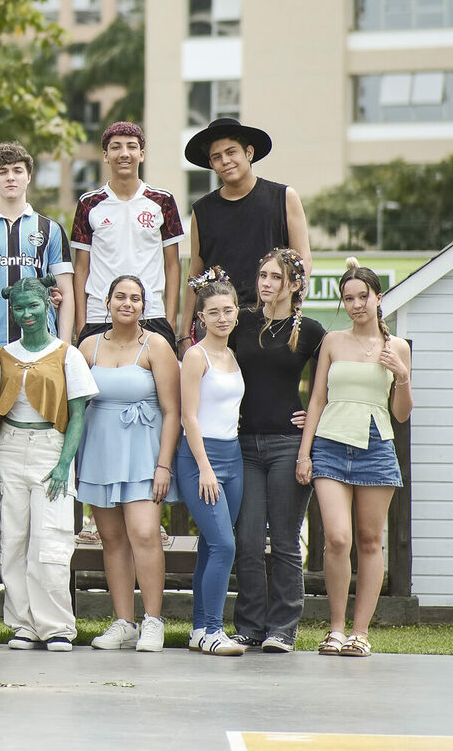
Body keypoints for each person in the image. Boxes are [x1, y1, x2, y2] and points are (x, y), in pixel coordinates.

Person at [298, 259, 411, 659]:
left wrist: (402, 375)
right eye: (349, 298)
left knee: (368, 540)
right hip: (330, 443)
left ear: (378, 298)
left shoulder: (395, 347)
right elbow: (316, 399)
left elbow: (401, 413)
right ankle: (335, 628)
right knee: (337, 538)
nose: (356, 304)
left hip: (376, 446)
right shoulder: (331, 341)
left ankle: (360, 633)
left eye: (363, 297)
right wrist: (304, 452)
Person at [0, 276, 97, 652]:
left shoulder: (68, 355)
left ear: (48, 304)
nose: (27, 313)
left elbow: (78, 414)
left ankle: (56, 626)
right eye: (19, 307)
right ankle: (23, 624)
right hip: (10, 448)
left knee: (51, 539)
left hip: (52, 448)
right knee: (14, 539)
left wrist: (66, 464)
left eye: (33, 305)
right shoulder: (3, 356)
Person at [76, 274, 181, 653]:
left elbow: (172, 411)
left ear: (143, 306)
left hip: (143, 454)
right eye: (120, 296)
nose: (128, 303)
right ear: (107, 302)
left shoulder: (156, 346)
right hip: (100, 452)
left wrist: (163, 466)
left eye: (135, 298)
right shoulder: (88, 346)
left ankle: (153, 620)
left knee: (144, 533)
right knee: (113, 539)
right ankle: (124, 622)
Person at [229, 248, 325, 653]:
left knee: (285, 540)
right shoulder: (242, 323)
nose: (265, 283)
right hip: (244, 443)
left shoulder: (312, 331)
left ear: (295, 284)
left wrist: (312, 425)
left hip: (289, 444)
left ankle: (283, 628)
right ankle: (250, 625)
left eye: (274, 277)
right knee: (248, 539)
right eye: (262, 275)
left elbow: (327, 387)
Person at [180, 118, 311, 349]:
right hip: (216, 322)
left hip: (270, 318)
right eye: (217, 157)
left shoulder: (283, 197)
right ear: (211, 164)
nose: (225, 161)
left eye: (231, 152)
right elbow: (195, 273)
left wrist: (292, 309)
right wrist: (183, 333)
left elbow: (302, 260)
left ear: (249, 152)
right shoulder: (201, 210)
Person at [175, 268, 247, 656]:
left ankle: (199, 629)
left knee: (211, 545)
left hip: (232, 458)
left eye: (228, 309)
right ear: (200, 317)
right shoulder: (195, 356)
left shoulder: (233, 355)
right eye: (214, 311)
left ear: (237, 312)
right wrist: (204, 467)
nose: (222, 317)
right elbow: (189, 417)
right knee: (224, 544)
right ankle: (215, 631)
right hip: (199, 460)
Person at [70, 122, 184, 349]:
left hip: (151, 315)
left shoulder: (162, 201)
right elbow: (81, 267)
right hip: (98, 316)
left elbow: (172, 265)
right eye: (116, 147)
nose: (124, 153)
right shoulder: (89, 203)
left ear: (141, 154)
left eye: (131, 147)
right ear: (105, 155)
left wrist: (170, 320)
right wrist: (81, 324)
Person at [0, 142, 74, 349]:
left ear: (28, 177)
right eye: (3, 172)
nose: (11, 177)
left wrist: (64, 347)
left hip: (41, 344)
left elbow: (65, 293)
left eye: (17, 171)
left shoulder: (51, 229)